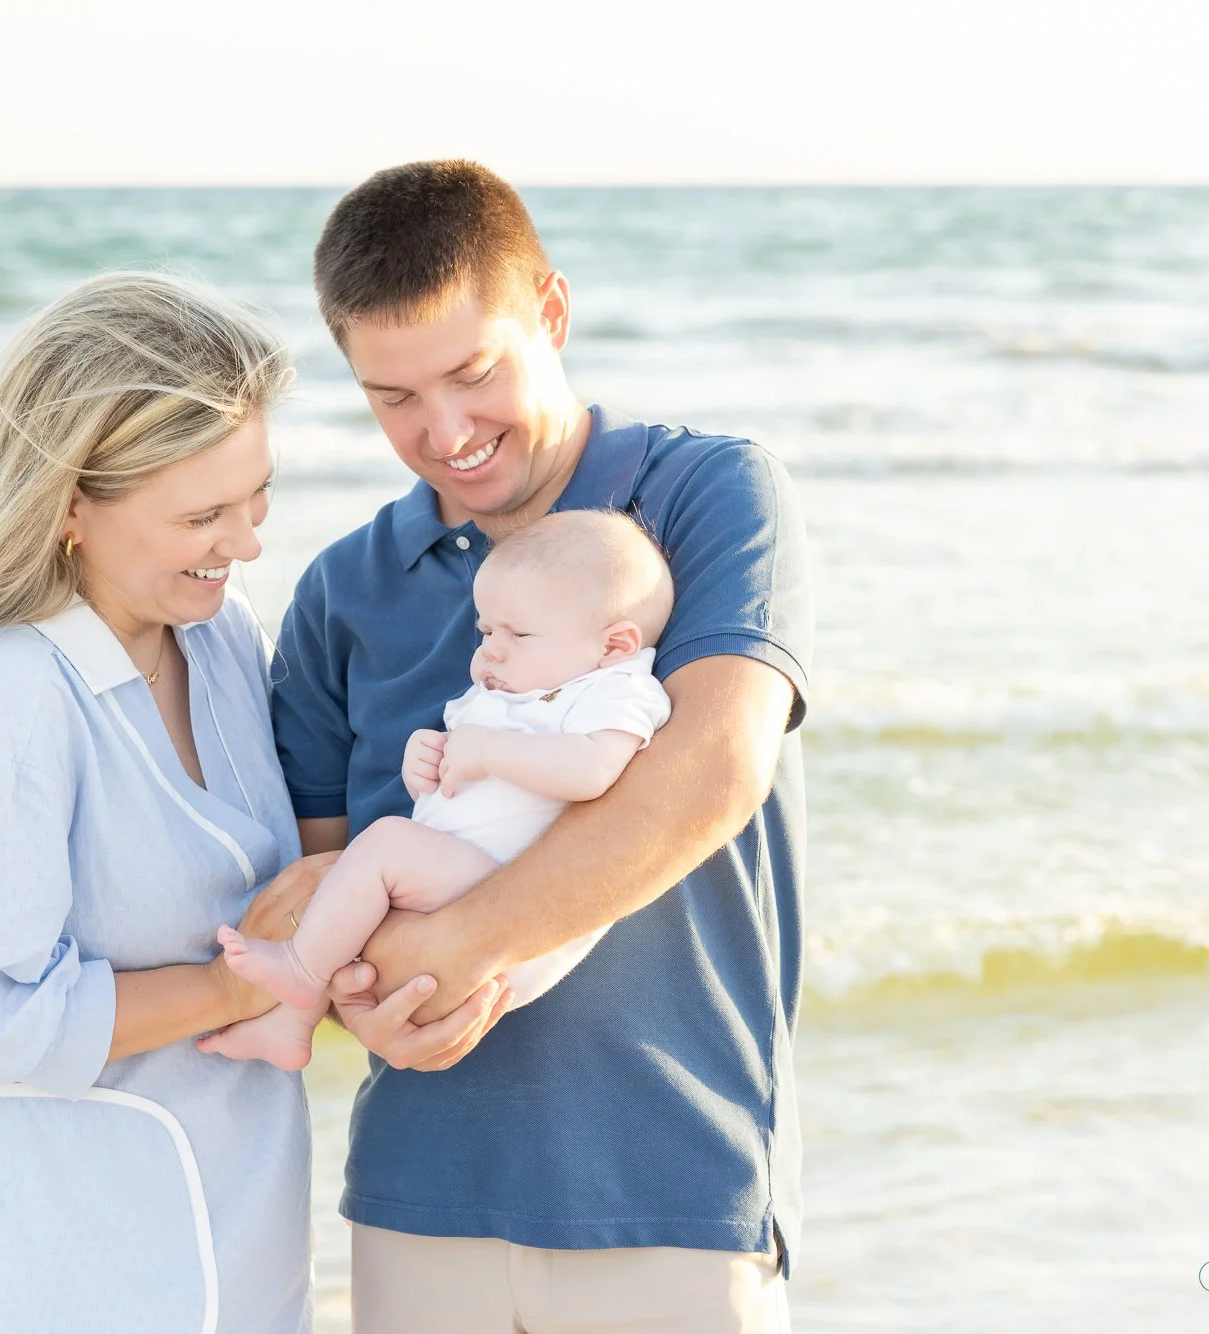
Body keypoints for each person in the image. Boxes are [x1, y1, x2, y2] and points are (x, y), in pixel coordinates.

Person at [272, 161, 813, 1333]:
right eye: (393, 397)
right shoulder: (339, 593)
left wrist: (454, 949)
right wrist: (360, 997)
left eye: (474, 372)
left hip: (673, 1191)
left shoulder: (707, 496)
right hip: (415, 1198)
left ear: (550, 314)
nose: (445, 431)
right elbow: (317, 879)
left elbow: (712, 773)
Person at [0, 272, 337, 1332]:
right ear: (67, 505)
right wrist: (238, 987)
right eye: (202, 513)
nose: (245, 543)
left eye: (258, 495)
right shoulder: (1, 702)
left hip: (226, 1241)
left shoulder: (217, 629)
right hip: (45, 1272)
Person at [206, 509, 673, 1069]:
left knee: (382, 847)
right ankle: (290, 1021)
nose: (492, 649)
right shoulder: (514, 688)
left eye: (518, 633)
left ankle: (300, 973)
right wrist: (423, 761)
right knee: (331, 885)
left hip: (510, 891)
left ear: (615, 644)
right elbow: (454, 782)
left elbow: (593, 770)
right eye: (486, 631)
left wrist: (486, 752)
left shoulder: (615, 689)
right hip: (458, 873)